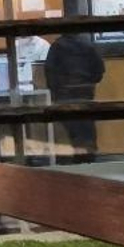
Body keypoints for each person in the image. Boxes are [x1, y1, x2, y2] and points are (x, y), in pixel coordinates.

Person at [43, 32, 105, 162]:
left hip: (64, 94)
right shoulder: (88, 45)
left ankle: (75, 157)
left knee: (71, 129)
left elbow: (49, 71)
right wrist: (89, 82)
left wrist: (56, 90)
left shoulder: (57, 46)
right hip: (85, 92)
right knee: (87, 127)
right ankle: (89, 157)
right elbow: (99, 71)